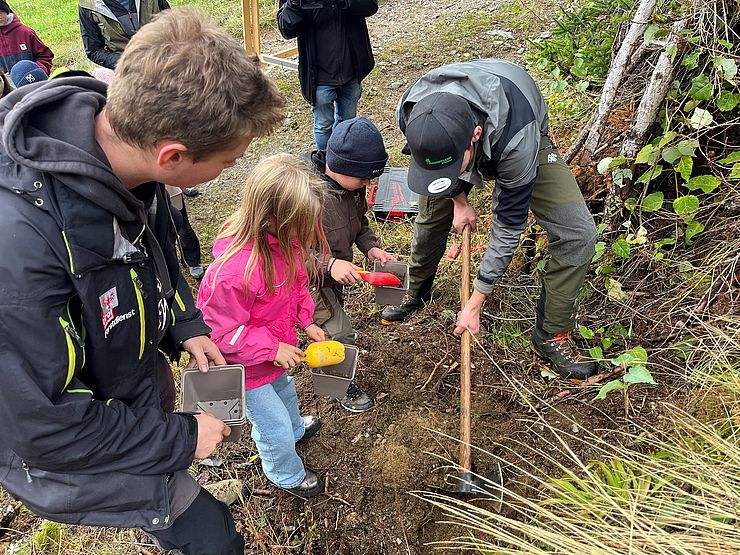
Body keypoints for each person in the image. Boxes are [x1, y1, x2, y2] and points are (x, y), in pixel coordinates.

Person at [0, 8, 285, 555]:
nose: (228, 173)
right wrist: (180, 438)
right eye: (227, 163)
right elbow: (44, 428)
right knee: (215, 542)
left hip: (126, 394)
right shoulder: (20, 251)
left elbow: (154, 257)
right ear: (172, 155)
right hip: (61, 448)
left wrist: (182, 322)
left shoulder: (123, 161)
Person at [381, 59, 598, 380]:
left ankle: (551, 333)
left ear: (475, 135)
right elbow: (436, 165)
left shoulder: (517, 139)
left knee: (579, 234)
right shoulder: (413, 110)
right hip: (463, 132)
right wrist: (457, 197)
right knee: (429, 219)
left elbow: (507, 226)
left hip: (517, 130)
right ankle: (417, 288)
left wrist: (476, 299)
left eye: (455, 166)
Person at [197, 154, 327, 498]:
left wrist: (306, 320)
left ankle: (297, 429)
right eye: (301, 224)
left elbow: (297, 286)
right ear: (272, 219)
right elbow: (219, 334)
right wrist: (272, 348)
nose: (307, 233)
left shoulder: (287, 244)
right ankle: (284, 472)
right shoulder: (232, 272)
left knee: (287, 395)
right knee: (273, 426)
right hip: (246, 370)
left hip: (273, 356)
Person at [304, 116, 394, 412]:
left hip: (332, 274)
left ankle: (322, 353)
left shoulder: (351, 189)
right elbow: (288, 254)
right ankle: (339, 387)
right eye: (363, 177)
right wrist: (329, 265)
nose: (368, 184)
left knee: (331, 325)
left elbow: (360, 225)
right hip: (306, 282)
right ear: (340, 166)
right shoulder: (305, 196)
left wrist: (372, 248)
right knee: (339, 332)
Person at [277, 0, 378, 152]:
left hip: (350, 69)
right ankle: (325, 163)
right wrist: (294, 4)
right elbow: (286, 28)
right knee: (323, 124)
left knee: (348, 123)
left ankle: (342, 160)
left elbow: (370, 6)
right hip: (318, 76)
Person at [79, 0, 169, 69]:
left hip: (163, 59)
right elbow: (94, 51)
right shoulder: (88, 5)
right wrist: (128, 62)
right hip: (126, 70)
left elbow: (172, 26)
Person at [0, 1, 54, 75]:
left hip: (32, 83)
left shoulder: (25, 33)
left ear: (7, 12)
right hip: (5, 85)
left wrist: (36, 73)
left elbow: (45, 56)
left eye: (1, 12)